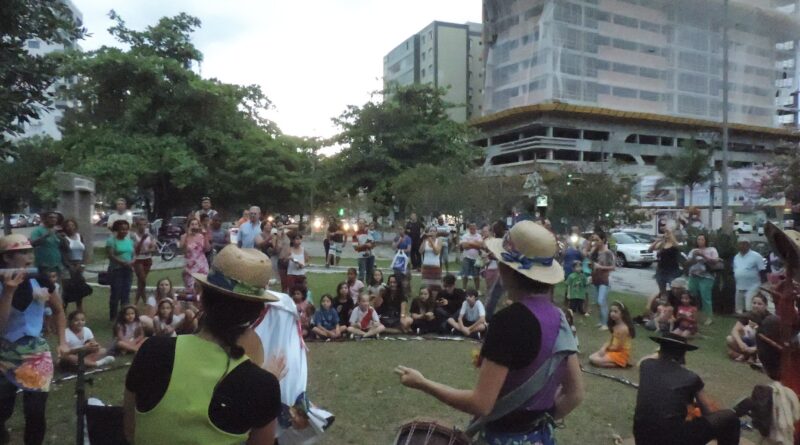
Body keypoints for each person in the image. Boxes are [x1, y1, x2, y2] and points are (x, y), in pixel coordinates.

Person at [396, 221, 583, 444]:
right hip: (542, 438)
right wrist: (533, 423)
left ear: (506, 269)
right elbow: (575, 393)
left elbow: (481, 403)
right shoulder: (560, 317)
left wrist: (423, 383)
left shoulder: (507, 322)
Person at [124, 245, 282, 444]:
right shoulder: (262, 385)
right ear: (257, 313)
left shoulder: (151, 350)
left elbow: (130, 430)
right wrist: (267, 387)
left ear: (202, 299)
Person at [0, 235, 69, 445]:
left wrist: (63, 341)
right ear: (6, 259)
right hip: (4, 353)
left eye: (30, 251)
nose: (29, 256)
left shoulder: (41, 280)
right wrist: (9, 291)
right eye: (22, 252)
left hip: (35, 352)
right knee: (2, 410)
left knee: (36, 412)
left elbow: (58, 311)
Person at [633, 333, 741, 445]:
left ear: (660, 350)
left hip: (642, 438)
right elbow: (708, 411)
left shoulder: (646, 366)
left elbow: (649, 360)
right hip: (672, 440)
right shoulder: (690, 378)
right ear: (682, 355)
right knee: (729, 418)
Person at [726, 293, 770, 362]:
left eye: (759, 304)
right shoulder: (748, 315)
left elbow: (768, 340)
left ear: (765, 306)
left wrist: (755, 348)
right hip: (748, 342)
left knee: (732, 353)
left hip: (761, 345)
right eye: (754, 303)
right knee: (730, 339)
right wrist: (741, 343)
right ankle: (749, 356)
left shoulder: (769, 318)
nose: (756, 306)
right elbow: (735, 330)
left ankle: (749, 356)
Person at [686, 234, 720, 325]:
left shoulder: (712, 249)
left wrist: (703, 255)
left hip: (707, 276)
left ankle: (709, 317)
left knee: (706, 297)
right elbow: (688, 262)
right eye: (698, 239)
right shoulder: (694, 250)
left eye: (702, 239)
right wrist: (694, 257)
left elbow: (715, 261)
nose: (700, 241)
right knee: (692, 294)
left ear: (706, 241)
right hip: (694, 275)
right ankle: (693, 313)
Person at [589, 301, 635, 368]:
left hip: (620, 353)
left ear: (622, 314)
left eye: (615, 312)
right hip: (612, 350)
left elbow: (618, 347)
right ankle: (618, 362)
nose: (612, 314)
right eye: (611, 311)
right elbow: (611, 340)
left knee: (595, 360)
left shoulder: (624, 329)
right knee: (591, 357)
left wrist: (606, 350)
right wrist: (603, 348)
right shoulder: (615, 326)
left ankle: (621, 363)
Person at [107, 219, 135, 321]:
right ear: (117, 229)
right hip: (116, 270)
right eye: (122, 229)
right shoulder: (111, 241)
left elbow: (133, 254)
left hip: (128, 270)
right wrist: (122, 262)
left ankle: (125, 316)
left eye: (126, 229)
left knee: (126, 293)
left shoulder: (130, 241)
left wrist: (132, 261)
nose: (124, 231)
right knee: (116, 293)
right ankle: (113, 316)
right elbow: (111, 255)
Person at [60, 218, 90, 312]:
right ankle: (64, 309)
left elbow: (84, 251)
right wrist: (70, 266)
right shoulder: (63, 238)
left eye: (72, 225)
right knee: (67, 288)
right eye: (68, 225)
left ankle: (79, 309)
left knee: (79, 287)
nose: (70, 227)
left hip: (79, 264)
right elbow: (63, 254)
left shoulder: (79, 236)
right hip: (68, 265)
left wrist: (82, 264)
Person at [587, 232, 615, 330]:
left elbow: (613, 267)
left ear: (603, 240)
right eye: (594, 240)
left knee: (601, 300)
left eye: (597, 240)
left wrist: (601, 267)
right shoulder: (594, 251)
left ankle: (606, 323)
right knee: (597, 302)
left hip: (605, 279)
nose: (595, 242)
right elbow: (587, 256)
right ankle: (601, 321)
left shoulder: (608, 253)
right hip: (595, 278)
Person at [733, 239, 767, 314]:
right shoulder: (736, 257)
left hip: (753, 286)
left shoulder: (756, 256)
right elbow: (735, 270)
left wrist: (762, 285)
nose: (741, 246)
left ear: (748, 245)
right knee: (739, 309)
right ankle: (741, 323)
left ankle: (752, 323)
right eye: (740, 244)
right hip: (739, 286)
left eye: (744, 244)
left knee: (750, 307)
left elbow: (762, 271)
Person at [29, 211, 64, 278]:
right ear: (45, 219)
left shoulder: (56, 231)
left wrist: (63, 238)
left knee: (57, 287)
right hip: (44, 266)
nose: (54, 219)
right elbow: (32, 244)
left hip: (57, 265)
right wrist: (47, 235)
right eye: (51, 217)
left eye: (55, 218)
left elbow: (60, 246)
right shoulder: (37, 230)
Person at [180, 217, 211, 294]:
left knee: (202, 288)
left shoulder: (201, 236)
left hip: (201, 265)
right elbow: (182, 250)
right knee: (190, 288)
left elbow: (207, 249)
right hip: (189, 265)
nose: (194, 226)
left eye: (196, 224)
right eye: (192, 224)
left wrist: (205, 235)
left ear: (198, 226)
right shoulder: (184, 236)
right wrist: (187, 234)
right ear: (189, 226)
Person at [131, 217, 156, 306]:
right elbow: (136, 250)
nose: (142, 227)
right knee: (142, 279)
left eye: (144, 225)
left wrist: (148, 250)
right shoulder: (134, 236)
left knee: (141, 282)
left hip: (147, 259)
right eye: (140, 225)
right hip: (138, 259)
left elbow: (153, 248)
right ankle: (143, 299)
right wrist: (142, 240)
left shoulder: (149, 235)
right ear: (137, 226)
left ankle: (138, 301)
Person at [650, 228, 683, 295]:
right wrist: (657, 241)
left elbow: (677, 245)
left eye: (668, 233)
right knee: (662, 292)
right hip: (661, 271)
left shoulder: (674, 244)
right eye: (666, 233)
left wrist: (670, 232)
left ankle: (674, 303)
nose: (666, 234)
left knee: (674, 291)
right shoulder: (662, 244)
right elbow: (650, 249)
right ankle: (665, 303)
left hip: (672, 271)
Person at [459, 222, 484, 290]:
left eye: (474, 227)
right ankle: (464, 289)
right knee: (465, 275)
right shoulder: (465, 235)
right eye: (471, 227)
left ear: (476, 228)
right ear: (469, 228)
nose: (472, 228)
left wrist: (469, 243)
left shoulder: (479, 236)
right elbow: (464, 246)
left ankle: (477, 290)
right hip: (466, 257)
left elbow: (480, 246)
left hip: (476, 259)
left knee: (476, 276)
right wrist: (475, 244)